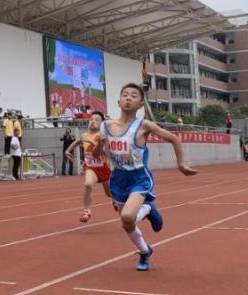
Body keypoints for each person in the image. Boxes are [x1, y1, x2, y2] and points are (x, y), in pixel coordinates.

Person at [93, 83, 197, 271]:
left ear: (141, 104)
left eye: (134, 96)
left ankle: (148, 208)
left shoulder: (144, 125)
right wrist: (99, 145)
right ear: (118, 101)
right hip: (118, 178)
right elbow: (96, 155)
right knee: (126, 223)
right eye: (125, 95)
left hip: (139, 177)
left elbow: (173, 138)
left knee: (128, 216)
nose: (128, 98)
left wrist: (181, 164)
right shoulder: (106, 126)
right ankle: (144, 251)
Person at [65, 112, 111, 223]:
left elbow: (103, 152)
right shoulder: (84, 135)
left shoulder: (102, 136)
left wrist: (92, 142)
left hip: (103, 167)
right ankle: (86, 211)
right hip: (91, 167)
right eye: (91, 119)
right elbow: (77, 142)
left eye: (97, 120)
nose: (93, 121)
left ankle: (117, 201)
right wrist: (67, 151)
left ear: (101, 124)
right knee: (88, 185)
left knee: (109, 193)